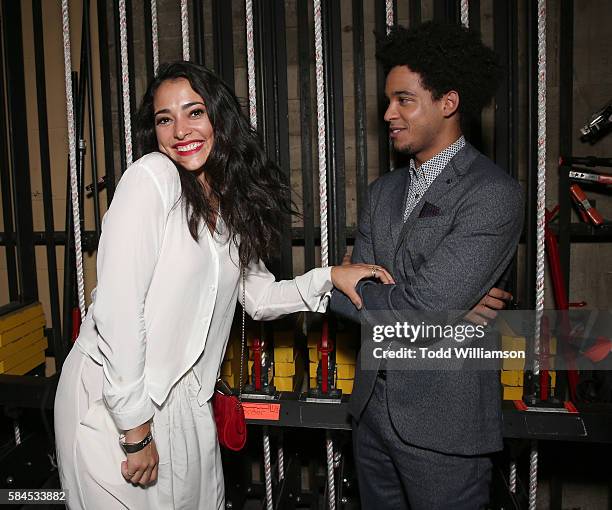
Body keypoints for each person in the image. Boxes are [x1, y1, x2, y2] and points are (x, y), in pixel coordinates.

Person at [53, 61, 396, 510]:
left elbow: (256, 295)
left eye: (194, 112)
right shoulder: (151, 179)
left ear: (219, 118)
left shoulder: (230, 204)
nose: (180, 130)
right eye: (164, 119)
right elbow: (119, 309)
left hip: (187, 401)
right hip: (115, 400)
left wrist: (329, 276)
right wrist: (134, 429)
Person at [330, 22, 524, 510]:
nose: (388, 114)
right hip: (371, 415)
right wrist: (446, 307)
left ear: (448, 103)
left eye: (404, 100)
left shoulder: (493, 194)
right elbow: (342, 298)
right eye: (389, 101)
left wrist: (417, 303)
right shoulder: (383, 192)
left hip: (445, 429)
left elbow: (416, 312)